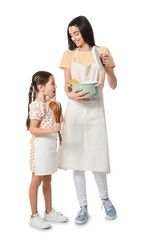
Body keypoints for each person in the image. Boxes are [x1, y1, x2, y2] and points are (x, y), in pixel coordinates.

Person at [58, 16, 117, 224]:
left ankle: (105, 199)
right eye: (71, 34)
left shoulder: (102, 52)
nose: (74, 38)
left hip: (94, 112)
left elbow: (113, 85)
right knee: (77, 163)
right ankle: (82, 207)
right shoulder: (68, 55)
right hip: (75, 112)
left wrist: (108, 67)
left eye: (76, 33)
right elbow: (67, 87)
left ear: (85, 30)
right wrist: (71, 95)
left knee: (97, 159)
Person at [26, 71, 68, 229]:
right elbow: (33, 129)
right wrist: (52, 129)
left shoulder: (50, 103)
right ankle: (34, 215)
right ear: (42, 87)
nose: (55, 86)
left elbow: (61, 120)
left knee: (48, 180)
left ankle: (49, 211)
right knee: (36, 181)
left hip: (50, 148)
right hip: (40, 150)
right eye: (52, 83)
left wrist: (56, 104)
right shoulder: (36, 105)